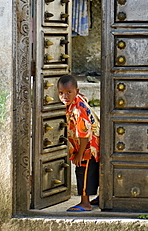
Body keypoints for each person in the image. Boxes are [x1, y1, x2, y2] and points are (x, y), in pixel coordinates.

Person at [58, 74, 100, 211]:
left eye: (69, 92)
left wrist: (80, 154)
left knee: (83, 172)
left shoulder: (78, 109)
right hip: (90, 145)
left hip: (88, 147)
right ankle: (102, 196)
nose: (65, 96)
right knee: (94, 172)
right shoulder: (76, 101)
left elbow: (84, 134)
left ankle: (85, 203)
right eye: (61, 93)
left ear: (77, 90)